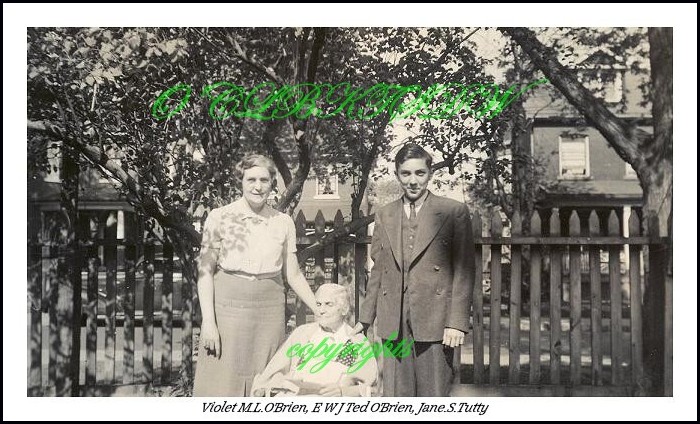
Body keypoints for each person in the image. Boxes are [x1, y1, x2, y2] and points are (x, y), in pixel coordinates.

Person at [193, 154, 318, 397]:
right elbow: (205, 272)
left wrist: (318, 309)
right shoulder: (220, 217)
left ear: (272, 183)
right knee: (222, 382)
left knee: (266, 381)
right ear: (241, 181)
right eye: (251, 180)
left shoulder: (283, 222)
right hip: (228, 310)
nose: (257, 186)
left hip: (269, 312)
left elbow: (293, 274)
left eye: (264, 180)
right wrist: (208, 322)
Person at [357, 143, 475, 396]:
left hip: (436, 319)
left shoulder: (453, 212)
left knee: (433, 394)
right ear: (397, 174)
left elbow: (464, 271)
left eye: (420, 173)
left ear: (430, 173)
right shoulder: (385, 214)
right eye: (406, 173)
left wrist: (456, 323)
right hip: (394, 321)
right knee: (396, 395)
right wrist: (365, 318)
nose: (413, 181)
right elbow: (379, 269)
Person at [251, 283, 378, 397]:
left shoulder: (356, 341)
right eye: (318, 304)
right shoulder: (302, 333)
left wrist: (342, 392)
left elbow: (371, 389)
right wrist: (267, 388)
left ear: (344, 309)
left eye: (328, 304)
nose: (321, 310)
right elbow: (274, 371)